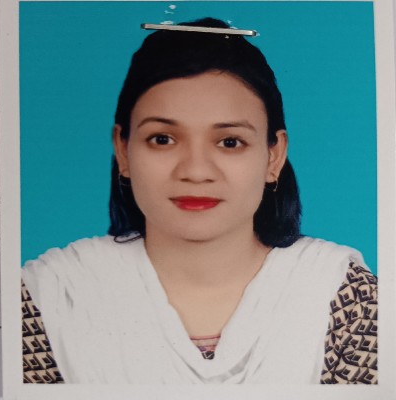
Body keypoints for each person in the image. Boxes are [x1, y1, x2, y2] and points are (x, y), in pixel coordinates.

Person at [21, 17, 377, 384]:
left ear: (274, 156)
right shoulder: (48, 299)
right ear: (123, 150)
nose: (195, 171)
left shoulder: (345, 297)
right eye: (162, 139)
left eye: (229, 142)